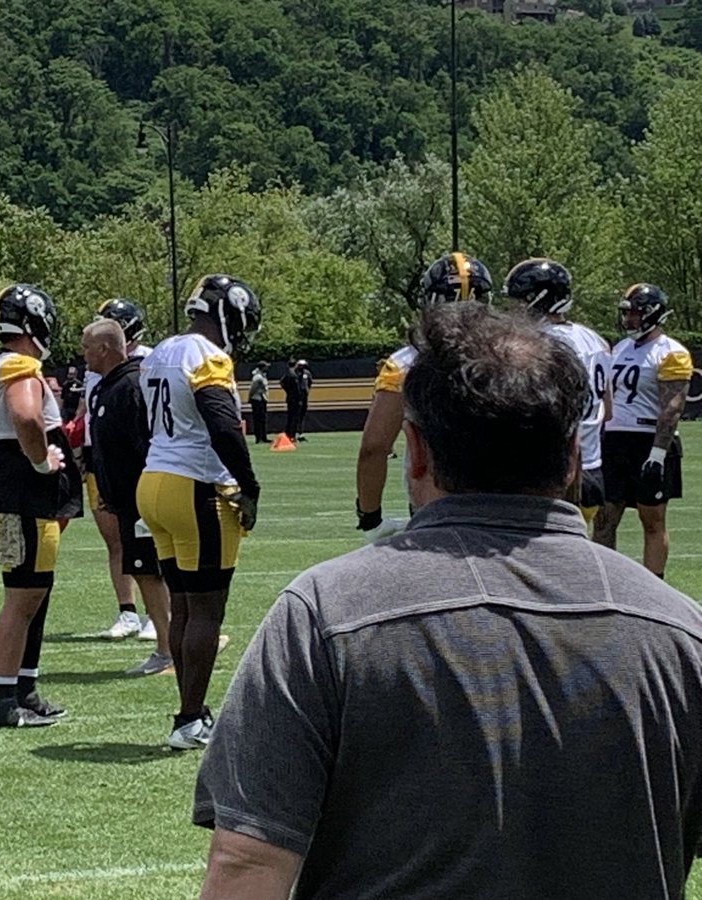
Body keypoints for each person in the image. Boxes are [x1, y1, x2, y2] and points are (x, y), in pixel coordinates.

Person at [195, 301, 702, 899]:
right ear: (571, 458)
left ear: (415, 451)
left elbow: (248, 865)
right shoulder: (680, 628)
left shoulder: (325, 612)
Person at [136, 274, 261, 750]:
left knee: (185, 606)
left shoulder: (162, 351)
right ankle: (189, 719)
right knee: (207, 608)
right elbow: (222, 422)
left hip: (156, 482)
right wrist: (248, 485)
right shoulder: (208, 355)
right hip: (195, 485)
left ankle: (192, 713)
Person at [0, 284, 82, 728]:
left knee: (33, 591)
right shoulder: (19, 365)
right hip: (19, 491)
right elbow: (26, 416)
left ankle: (24, 687)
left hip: (5, 489)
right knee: (22, 595)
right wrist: (41, 460)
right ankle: (3, 699)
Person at [355, 251, 492, 541]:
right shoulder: (516, 356)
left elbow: (374, 448)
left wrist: (370, 515)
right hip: (508, 500)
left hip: (433, 502)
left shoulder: (404, 365)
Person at [81, 319, 172, 676]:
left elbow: (144, 444)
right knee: (144, 570)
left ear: (105, 348)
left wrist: (142, 493)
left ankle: (168, 648)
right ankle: (169, 644)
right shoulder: (107, 386)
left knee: (152, 572)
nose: (82, 353)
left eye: (87, 346)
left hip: (142, 499)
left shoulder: (131, 385)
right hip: (124, 498)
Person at [502, 259, 612, 527]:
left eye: (518, 301)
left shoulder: (541, 343)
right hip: (591, 467)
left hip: (552, 471)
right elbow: (607, 411)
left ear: (537, 299)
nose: (512, 310)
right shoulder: (596, 341)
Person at [593, 284, 692, 577]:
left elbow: (672, 408)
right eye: (626, 313)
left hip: (649, 441)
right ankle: (604, 583)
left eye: (634, 313)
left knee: (652, 519)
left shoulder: (671, 352)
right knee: (604, 518)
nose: (628, 320)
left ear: (651, 314)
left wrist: (658, 454)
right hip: (615, 440)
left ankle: (655, 587)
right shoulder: (620, 348)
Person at [248, 361, 269, 444]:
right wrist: (249, 398)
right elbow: (253, 389)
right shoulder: (258, 377)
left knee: (263, 419)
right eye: (265, 367)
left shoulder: (262, 376)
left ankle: (264, 437)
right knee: (258, 419)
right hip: (257, 399)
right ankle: (259, 438)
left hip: (262, 399)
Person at [279, 360, 300, 441]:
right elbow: (297, 388)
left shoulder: (287, 373)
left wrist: (287, 391)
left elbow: (281, 382)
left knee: (290, 417)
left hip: (289, 397)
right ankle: (292, 434)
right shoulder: (293, 375)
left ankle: (288, 433)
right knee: (294, 417)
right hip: (294, 398)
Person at [294, 359, 312, 440]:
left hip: (304, 397)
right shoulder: (294, 373)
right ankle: (293, 433)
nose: (301, 367)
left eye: (303, 365)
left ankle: (301, 433)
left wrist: (307, 390)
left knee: (302, 416)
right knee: (295, 415)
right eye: (300, 365)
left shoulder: (307, 373)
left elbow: (310, 382)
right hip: (296, 397)